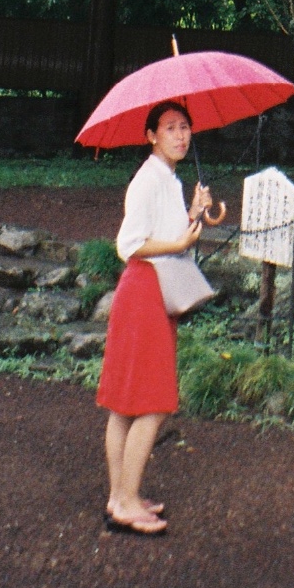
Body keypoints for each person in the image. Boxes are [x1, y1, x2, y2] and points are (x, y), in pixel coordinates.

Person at [97, 99, 211, 535]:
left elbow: (167, 233)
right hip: (143, 288)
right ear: (151, 136)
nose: (181, 135)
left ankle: (120, 494)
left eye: (185, 126)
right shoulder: (147, 180)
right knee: (154, 401)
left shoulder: (169, 178)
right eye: (170, 128)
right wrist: (180, 243)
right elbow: (129, 244)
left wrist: (193, 214)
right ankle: (124, 502)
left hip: (150, 288)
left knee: (127, 401)